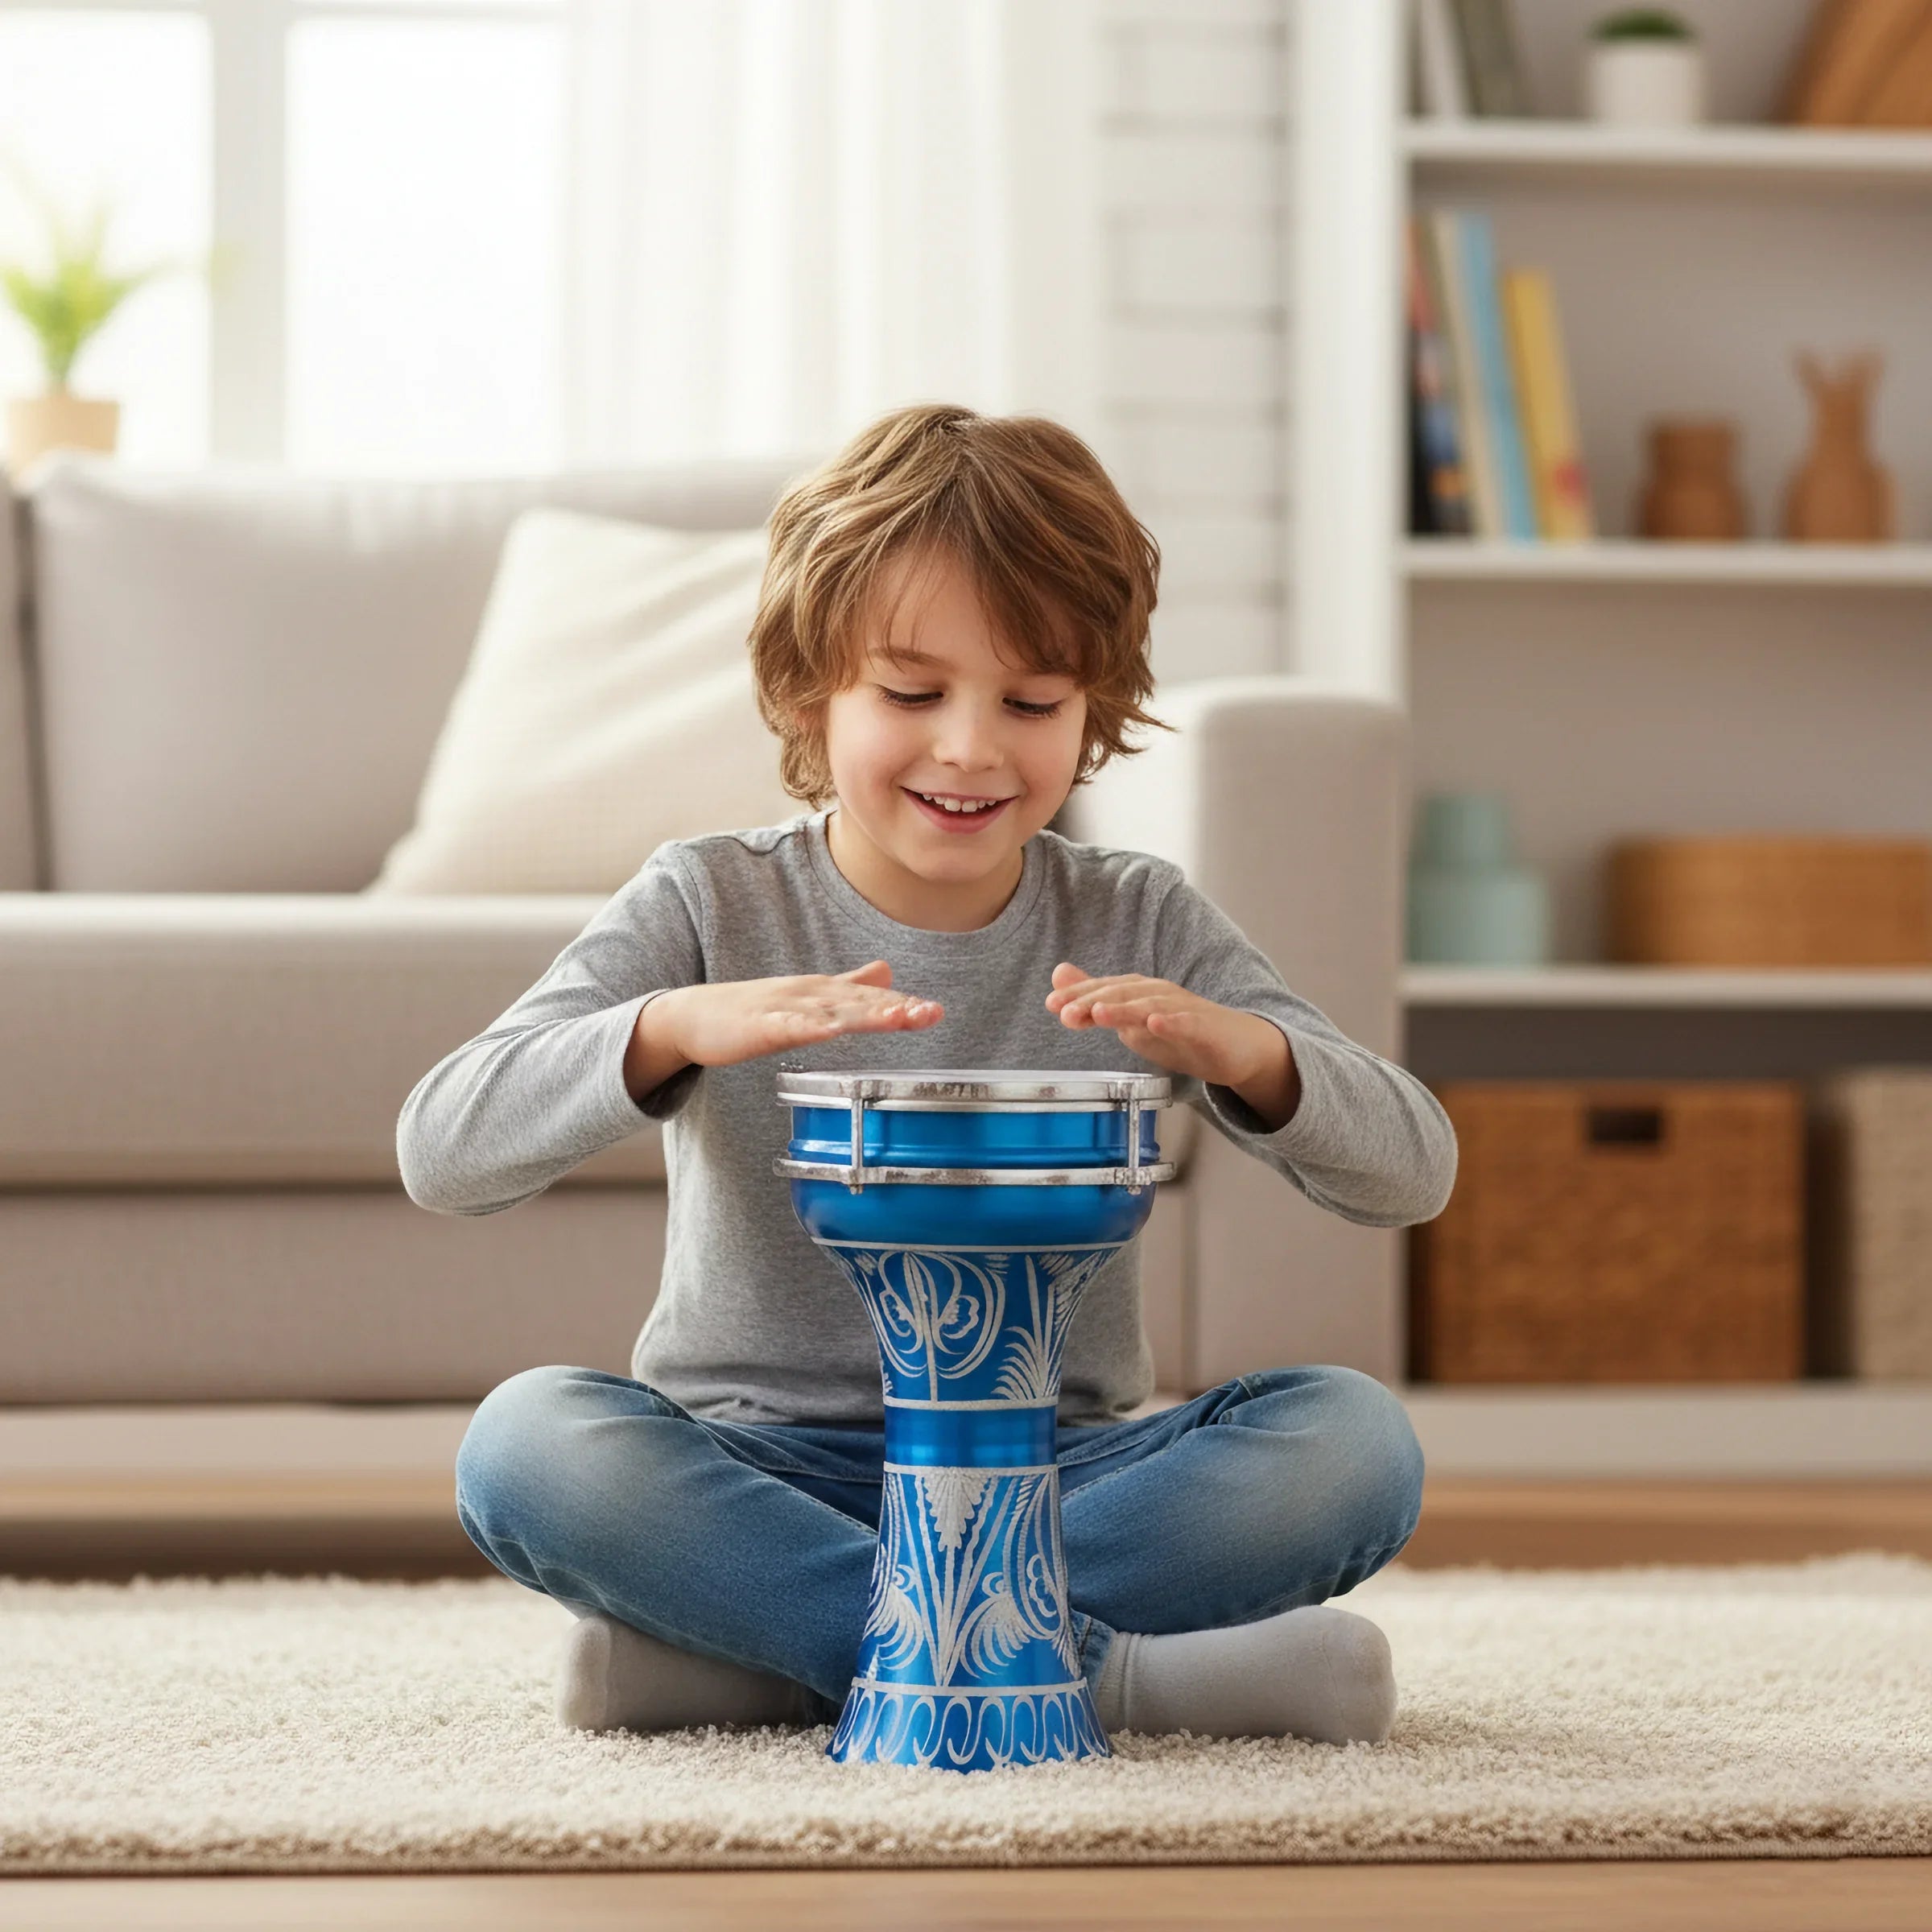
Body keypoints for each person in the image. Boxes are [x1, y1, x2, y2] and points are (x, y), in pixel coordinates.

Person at [398, 402, 1457, 1749]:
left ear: (1097, 708)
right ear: (806, 691)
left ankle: (781, 1659)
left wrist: (1249, 1054)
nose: (971, 746)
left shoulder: (1136, 916)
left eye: (1032, 701)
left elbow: (1416, 1171)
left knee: (1352, 1447)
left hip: (1057, 1472)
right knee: (528, 1445)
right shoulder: (712, 900)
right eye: (911, 693)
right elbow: (445, 1145)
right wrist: (666, 1028)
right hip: (759, 1470)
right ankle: (1104, 1676)